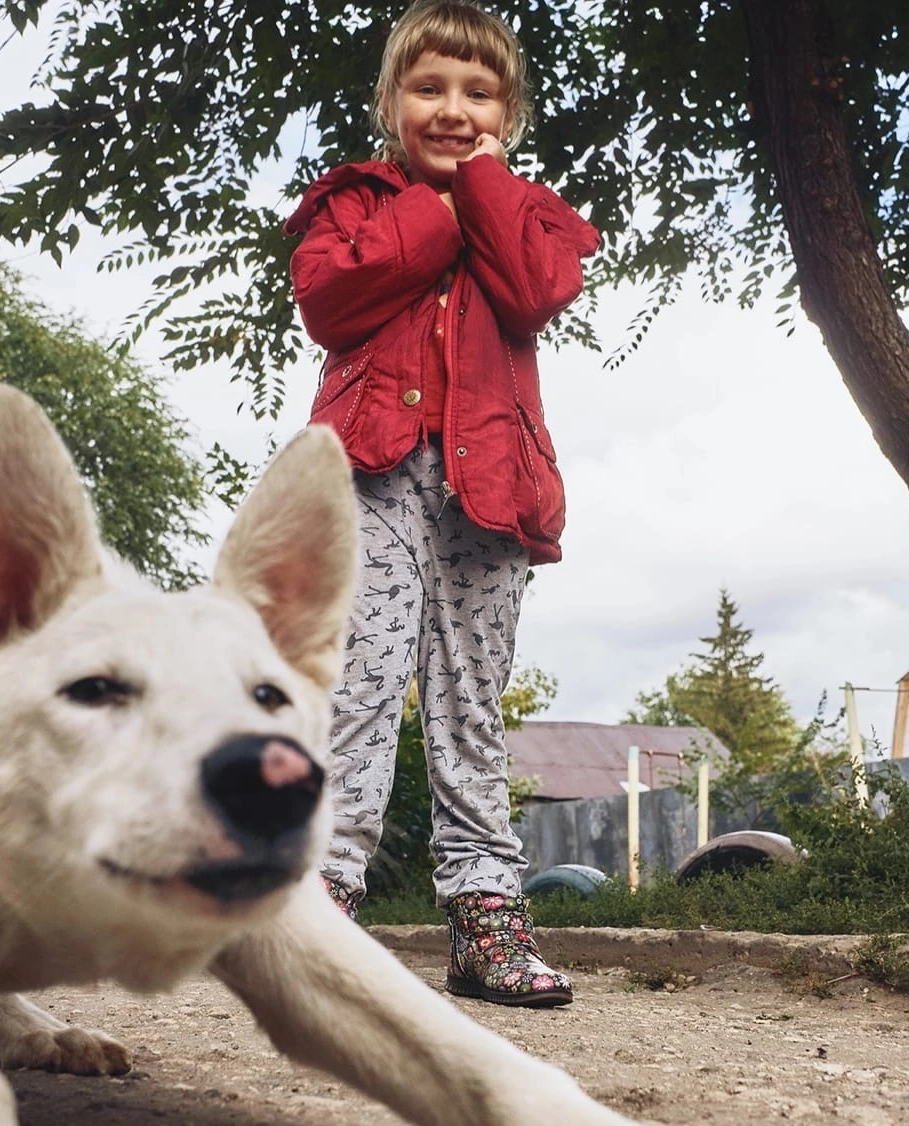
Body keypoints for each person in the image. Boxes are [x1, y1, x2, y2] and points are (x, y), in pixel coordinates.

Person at [283, 0, 600, 1007]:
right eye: (429, 88)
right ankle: (320, 905)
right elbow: (332, 300)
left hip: (489, 491)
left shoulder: (527, 209)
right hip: (372, 477)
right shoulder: (352, 203)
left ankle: (484, 918)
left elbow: (537, 290)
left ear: (508, 112)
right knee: (360, 691)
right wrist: (442, 210)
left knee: (469, 707)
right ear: (392, 101)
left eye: (478, 92)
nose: (453, 110)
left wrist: (485, 191)